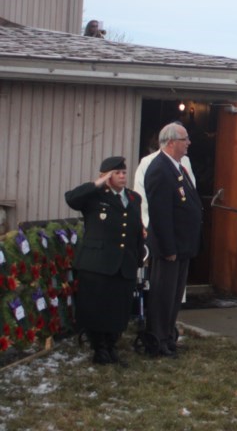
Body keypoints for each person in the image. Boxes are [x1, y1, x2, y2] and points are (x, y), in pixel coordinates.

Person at [64, 156, 144, 365]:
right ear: (105, 176)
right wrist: (97, 183)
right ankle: (99, 347)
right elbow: (71, 198)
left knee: (118, 308)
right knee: (97, 307)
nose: (122, 176)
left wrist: (138, 257)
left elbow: (136, 230)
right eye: (116, 173)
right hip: (98, 263)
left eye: (124, 172)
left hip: (124, 263)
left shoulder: (134, 198)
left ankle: (111, 345)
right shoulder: (94, 196)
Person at [144, 122, 203, 357]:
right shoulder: (159, 168)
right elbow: (160, 214)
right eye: (184, 139)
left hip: (182, 245)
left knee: (175, 295)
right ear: (170, 143)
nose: (188, 143)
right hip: (169, 247)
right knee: (163, 295)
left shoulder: (177, 167)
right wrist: (168, 247)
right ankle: (156, 340)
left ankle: (168, 336)